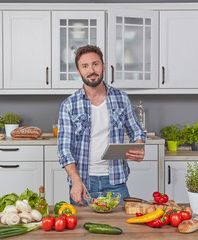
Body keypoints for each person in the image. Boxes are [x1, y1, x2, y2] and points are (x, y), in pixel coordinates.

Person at [57, 45, 146, 205]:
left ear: (103, 66)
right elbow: (64, 149)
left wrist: (138, 146)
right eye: (85, 66)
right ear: (78, 71)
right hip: (83, 182)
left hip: (116, 181)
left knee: (122, 228)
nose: (91, 70)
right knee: (80, 229)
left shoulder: (121, 98)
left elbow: (137, 132)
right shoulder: (69, 105)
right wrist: (75, 181)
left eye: (95, 64)